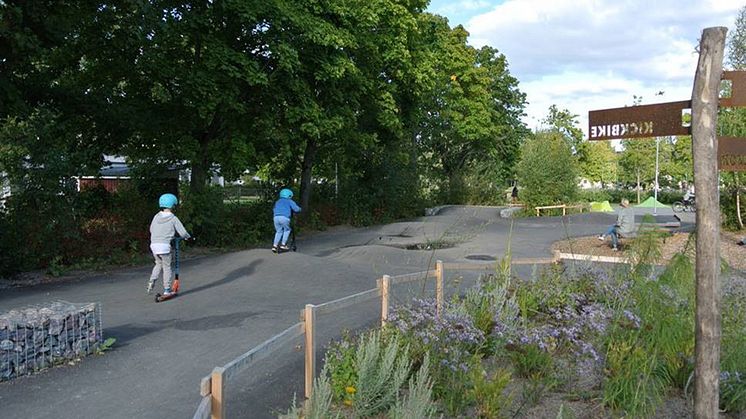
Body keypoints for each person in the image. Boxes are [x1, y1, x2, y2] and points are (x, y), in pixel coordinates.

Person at [147, 193, 191, 296]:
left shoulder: (156, 216)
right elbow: (183, 232)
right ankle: (167, 290)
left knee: (158, 264)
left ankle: (151, 281)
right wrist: (187, 237)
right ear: (173, 205)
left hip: (154, 245)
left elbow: (151, 229)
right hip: (164, 247)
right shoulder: (173, 218)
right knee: (167, 267)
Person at [273, 188, 301, 253]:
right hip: (284, 218)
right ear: (289, 196)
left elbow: (274, 209)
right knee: (287, 230)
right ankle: (283, 245)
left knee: (278, 231)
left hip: (276, 217)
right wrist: (300, 209)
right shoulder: (289, 201)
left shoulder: (278, 201)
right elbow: (296, 209)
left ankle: (274, 246)